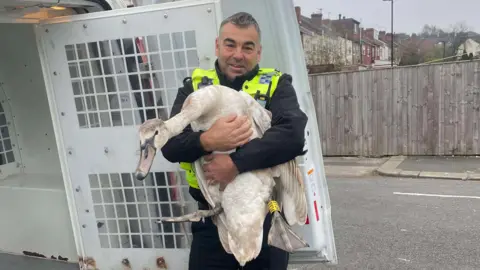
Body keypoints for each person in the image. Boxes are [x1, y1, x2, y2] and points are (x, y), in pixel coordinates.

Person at [161, 11, 308, 270]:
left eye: (247, 47)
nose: (238, 55)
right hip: (211, 218)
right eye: (230, 44)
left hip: (266, 217)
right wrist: (207, 140)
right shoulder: (195, 87)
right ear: (218, 46)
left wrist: (235, 164)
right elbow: (170, 146)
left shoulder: (276, 85)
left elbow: (292, 136)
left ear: (258, 52)